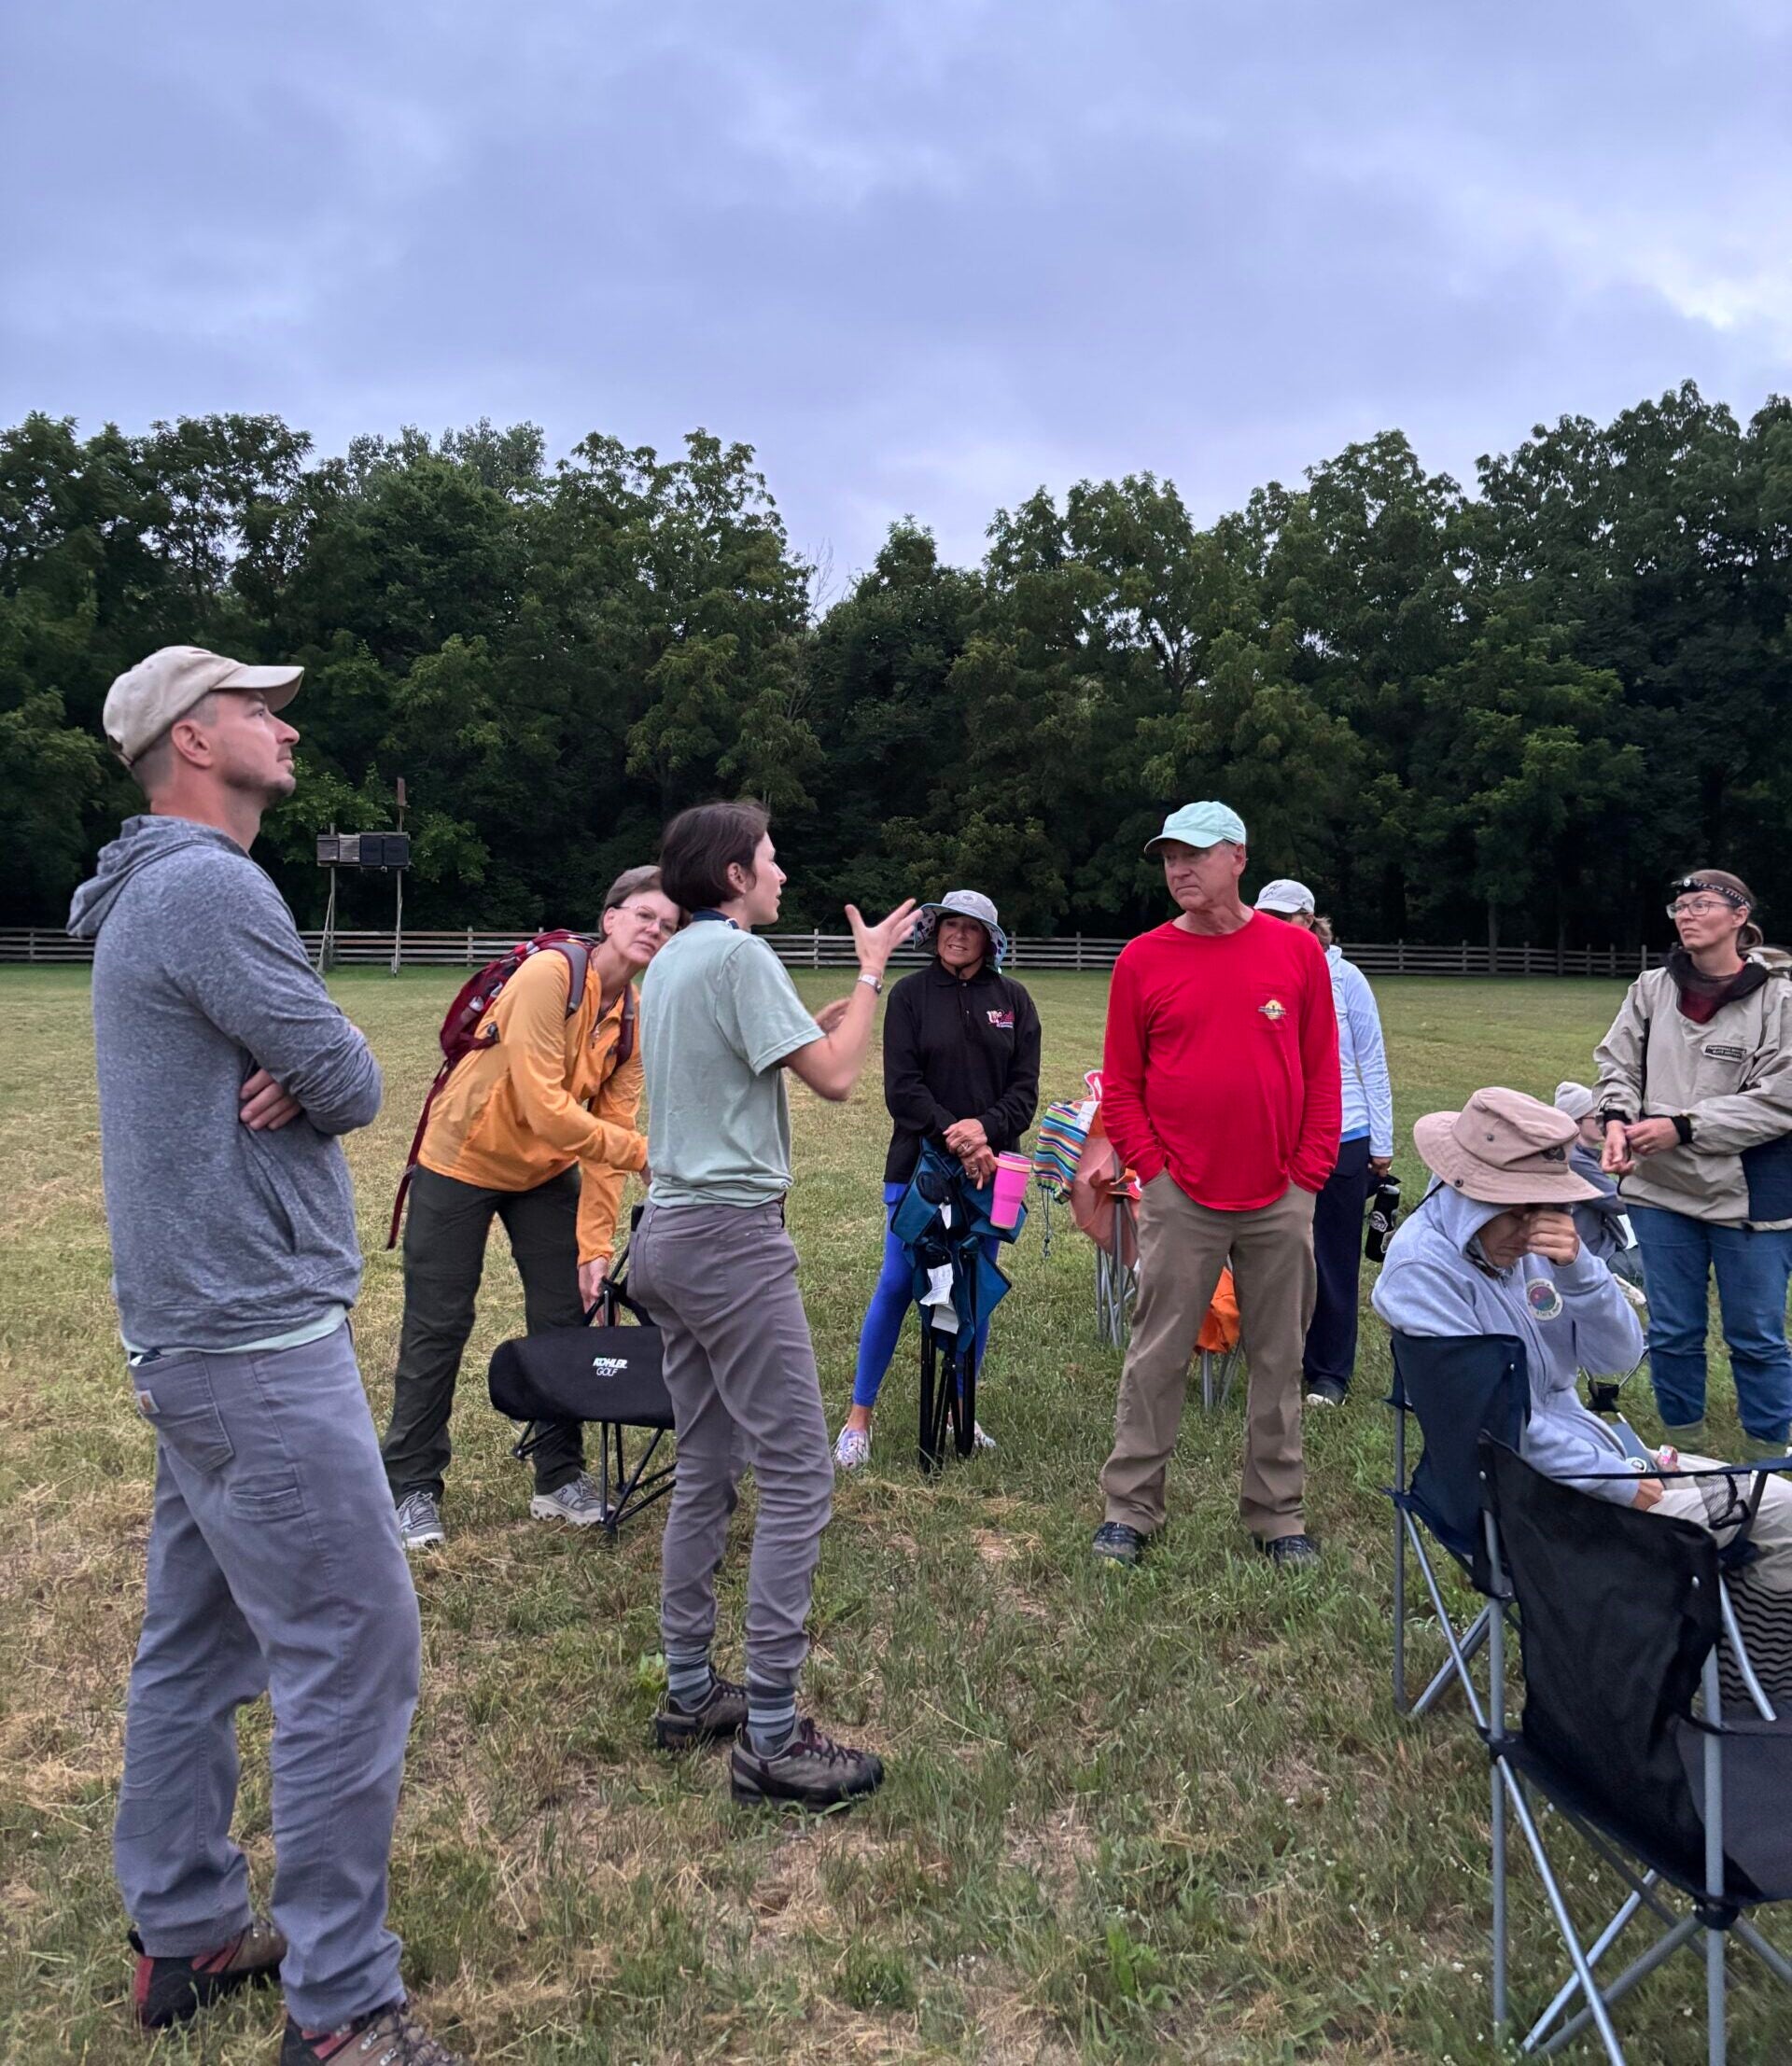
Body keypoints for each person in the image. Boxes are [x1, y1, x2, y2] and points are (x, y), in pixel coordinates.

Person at [68, 648, 459, 2066]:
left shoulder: (139, 894)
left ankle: (186, 1929)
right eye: (257, 706)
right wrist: (324, 1058)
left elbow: (319, 1066)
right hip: (252, 1345)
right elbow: (353, 1079)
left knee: (199, 1635)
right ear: (189, 739)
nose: (285, 725)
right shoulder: (208, 886)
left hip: (188, 1342)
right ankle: (343, 2008)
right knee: (356, 1644)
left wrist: (310, 1058)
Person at [627, 800, 916, 1809]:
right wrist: (875, 974)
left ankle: (690, 1690)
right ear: (735, 874)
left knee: (707, 1461)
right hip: (729, 1244)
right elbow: (836, 1081)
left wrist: (838, 1001)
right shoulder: (740, 960)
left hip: (663, 1236)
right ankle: (772, 1740)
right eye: (771, 858)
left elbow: (780, 1050)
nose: (782, 871)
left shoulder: (673, 960)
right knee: (798, 1473)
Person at [1373, 1085, 1792, 1696]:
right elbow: (1499, 1428)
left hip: (1595, 1458)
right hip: (1526, 1497)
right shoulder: (1422, 1272)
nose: (1536, 1224)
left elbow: (1616, 1357)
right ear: (1469, 1190)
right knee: (1741, 1522)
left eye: (1548, 1205)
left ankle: (1744, 1689)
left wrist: (1580, 1271)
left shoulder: (1539, 1245)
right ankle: (1710, 1699)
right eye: (1519, 1207)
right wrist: (1613, 1476)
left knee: (1781, 1509)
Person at [380, 868, 682, 1549]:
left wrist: (595, 1247)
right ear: (609, 918)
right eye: (644, 916)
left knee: (566, 1320)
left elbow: (608, 1135)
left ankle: (559, 1477)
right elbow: (549, 1110)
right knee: (439, 1325)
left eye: (668, 926)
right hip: (460, 1161)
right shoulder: (551, 975)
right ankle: (410, 1488)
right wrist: (643, 1153)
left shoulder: (633, 1017)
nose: (655, 932)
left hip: (544, 1174)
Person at [1092, 803, 1340, 1569]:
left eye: (1195, 854)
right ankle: (1130, 1510)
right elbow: (1123, 1086)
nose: (1179, 869)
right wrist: (1155, 1172)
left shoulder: (1295, 955)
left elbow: (1325, 1074)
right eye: (1169, 856)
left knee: (1278, 1359)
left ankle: (1277, 1515)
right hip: (1180, 1195)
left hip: (1278, 1196)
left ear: (1239, 856)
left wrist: (1306, 1177)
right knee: (1156, 1353)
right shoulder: (1143, 959)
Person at [834, 889, 1041, 1469]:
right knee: (899, 1283)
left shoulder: (1015, 1000)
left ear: (989, 940)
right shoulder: (909, 996)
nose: (957, 935)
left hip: (993, 1173)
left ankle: (960, 1410)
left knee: (975, 1291)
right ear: (936, 933)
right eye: (949, 925)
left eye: (971, 928)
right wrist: (959, 1133)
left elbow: (1023, 1092)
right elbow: (902, 1089)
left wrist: (986, 1132)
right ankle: (858, 1419)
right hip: (918, 1167)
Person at [1594, 870, 1792, 1461]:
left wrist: (1682, 1128)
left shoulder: (1779, 997)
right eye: (1678, 905)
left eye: (1702, 904)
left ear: (1740, 917)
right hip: (1660, 1190)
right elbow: (1618, 1064)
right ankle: (1685, 1451)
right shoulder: (1652, 987)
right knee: (1674, 1332)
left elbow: (1781, 1098)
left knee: (1756, 1336)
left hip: (1751, 1194)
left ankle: (1769, 1457)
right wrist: (1614, 1120)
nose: (1686, 913)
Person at [1253, 879, 1393, 1406]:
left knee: (1332, 1258)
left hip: (1343, 1135)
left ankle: (1330, 1371)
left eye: (1285, 918)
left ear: (1310, 922)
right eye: (1266, 916)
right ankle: (1279, 1358)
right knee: (1276, 1256)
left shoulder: (1345, 977)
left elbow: (1371, 1061)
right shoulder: (1257, 973)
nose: (1274, 926)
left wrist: (1382, 1142)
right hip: (1274, 1135)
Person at [1552, 1081, 1645, 1289]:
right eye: (1596, 1117)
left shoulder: (1576, 1155)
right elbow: (1619, 1202)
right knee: (1667, 1257)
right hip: (1595, 1260)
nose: (1604, 1123)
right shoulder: (1575, 1161)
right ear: (1576, 1121)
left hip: (1595, 1251)